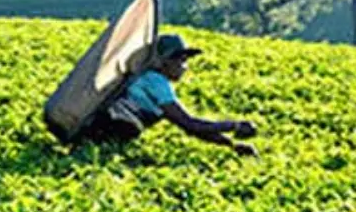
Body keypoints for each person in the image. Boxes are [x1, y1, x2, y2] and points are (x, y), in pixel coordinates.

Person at [83, 33, 258, 156]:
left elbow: (190, 128)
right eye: (179, 60)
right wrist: (233, 126)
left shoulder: (152, 80)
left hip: (100, 135)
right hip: (104, 132)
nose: (184, 67)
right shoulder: (155, 81)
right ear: (163, 62)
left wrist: (231, 145)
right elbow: (189, 124)